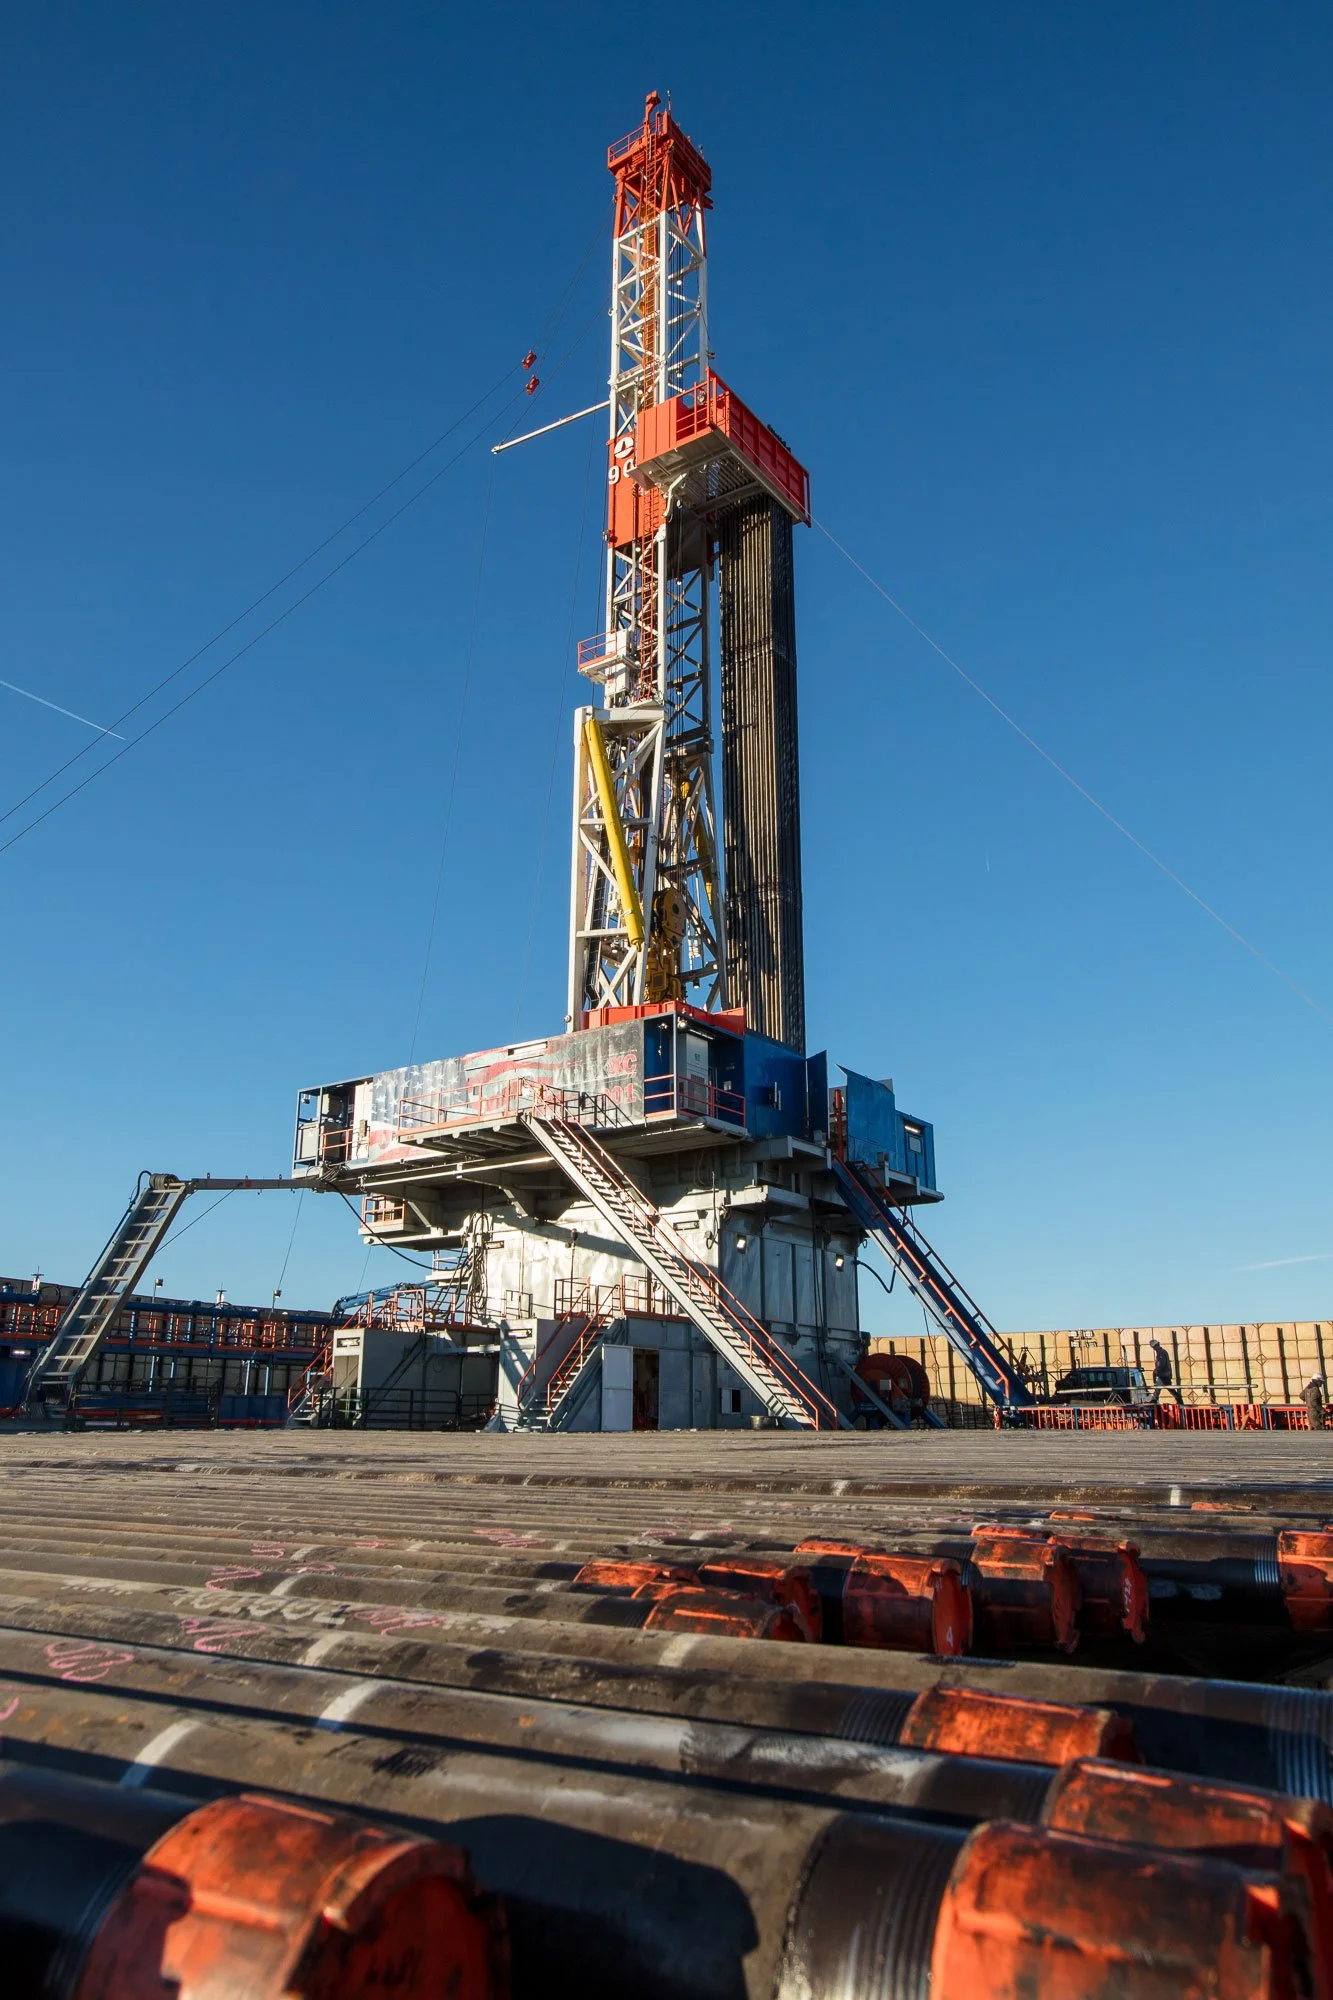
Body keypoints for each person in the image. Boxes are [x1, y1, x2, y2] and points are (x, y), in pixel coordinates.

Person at [1148, 1338, 1183, 1408]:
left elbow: (1161, 1364)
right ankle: (1179, 1399)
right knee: (1167, 1388)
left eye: (1154, 1347)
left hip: (1163, 1374)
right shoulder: (1162, 1352)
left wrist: (1156, 1371)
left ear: (1156, 1346)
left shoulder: (1161, 1353)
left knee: (1159, 1387)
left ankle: (1154, 1400)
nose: (1154, 1349)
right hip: (1165, 1374)